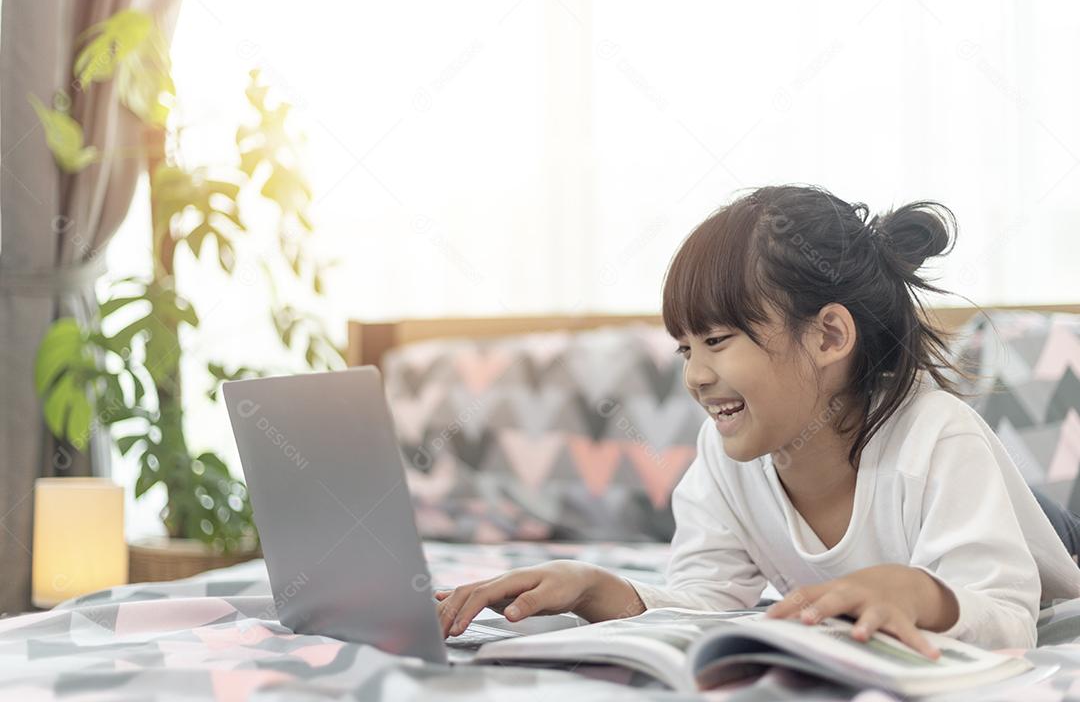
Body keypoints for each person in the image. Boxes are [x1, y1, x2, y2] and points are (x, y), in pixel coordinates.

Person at [435, 185, 1080, 656]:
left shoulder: (938, 439)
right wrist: (593, 588)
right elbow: (706, 601)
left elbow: (1006, 617)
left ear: (828, 335)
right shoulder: (725, 454)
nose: (694, 376)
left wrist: (917, 591)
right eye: (685, 348)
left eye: (718, 340)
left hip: (1056, 547)